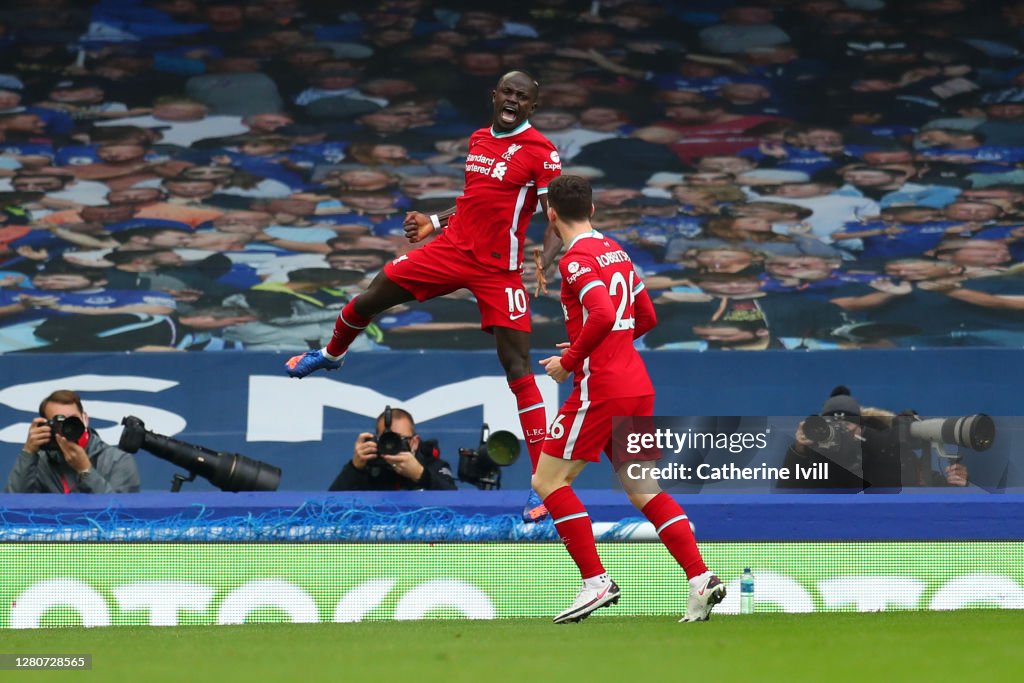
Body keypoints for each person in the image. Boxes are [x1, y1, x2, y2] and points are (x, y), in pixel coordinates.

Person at [285, 71, 563, 521]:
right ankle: (333, 353)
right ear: (495, 97)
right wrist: (436, 221)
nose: (513, 100)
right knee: (370, 298)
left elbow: (557, 214)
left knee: (518, 370)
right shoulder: (478, 139)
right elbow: (475, 202)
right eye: (507, 92)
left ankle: (545, 485)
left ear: (533, 106)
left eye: (523, 97)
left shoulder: (542, 153)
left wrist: (547, 259)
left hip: (499, 269)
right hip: (452, 252)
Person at [531, 175, 724, 624]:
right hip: (636, 383)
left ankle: (595, 582)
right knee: (643, 488)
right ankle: (700, 578)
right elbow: (646, 316)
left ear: (551, 214)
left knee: (548, 482)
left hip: (602, 388)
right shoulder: (616, 250)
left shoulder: (575, 259)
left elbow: (600, 311)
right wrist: (604, 343)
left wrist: (575, 358)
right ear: (593, 210)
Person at [6, 389, 140, 493]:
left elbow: (121, 514)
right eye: (59, 421)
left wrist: (85, 470)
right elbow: (12, 509)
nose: (67, 427)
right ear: (47, 425)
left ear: (85, 419)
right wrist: (28, 453)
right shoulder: (39, 462)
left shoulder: (117, 461)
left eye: (73, 420)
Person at [328, 407, 457, 491]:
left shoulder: (430, 464)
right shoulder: (367, 466)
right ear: (377, 440)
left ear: (414, 442)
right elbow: (329, 507)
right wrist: (354, 468)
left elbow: (455, 502)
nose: (391, 446)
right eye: (387, 439)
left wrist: (421, 475)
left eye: (399, 440)